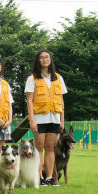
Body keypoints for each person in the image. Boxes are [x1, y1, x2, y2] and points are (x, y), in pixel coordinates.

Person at [25, 49, 67, 186]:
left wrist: (62, 120)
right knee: (39, 148)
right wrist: (32, 120)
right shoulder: (32, 78)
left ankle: (49, 177)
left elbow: (61, 101)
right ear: (38, 60)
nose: (44, 59)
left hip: (54, 118)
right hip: (39, 118)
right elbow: (29, 101)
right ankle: (39, 178)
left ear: (50, 60)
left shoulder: (58, 78)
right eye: (41, 57)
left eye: (47, 57)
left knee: (50, 148)